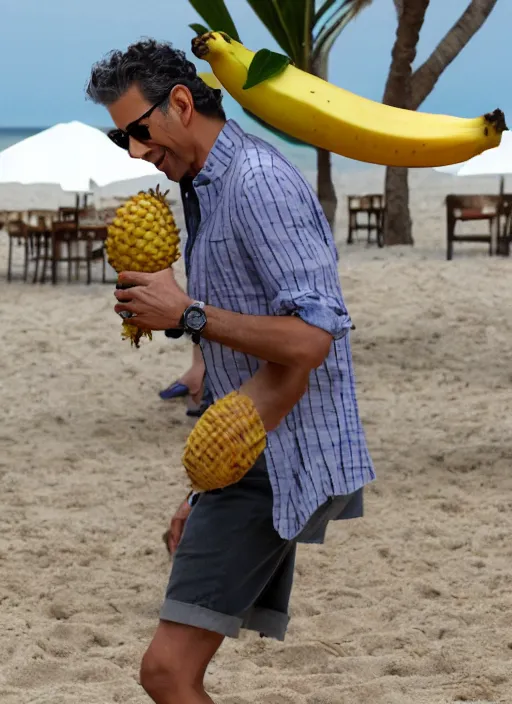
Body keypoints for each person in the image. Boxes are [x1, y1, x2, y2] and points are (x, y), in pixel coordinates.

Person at [87, 39, 375, 704]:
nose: (134, 151)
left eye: (138, 130)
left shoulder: (258, 185)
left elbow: (312, 338)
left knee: (166, 672)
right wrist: (199, 492)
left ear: (181, 103)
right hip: (244, 449)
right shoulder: (204, 188)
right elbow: (243, 350)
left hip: (277, 459)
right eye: (118, 137)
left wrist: (186, 314)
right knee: (176, 666)